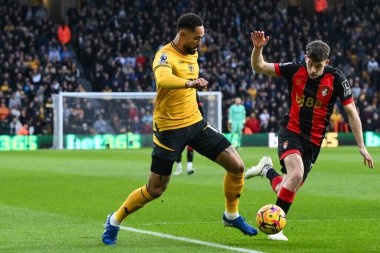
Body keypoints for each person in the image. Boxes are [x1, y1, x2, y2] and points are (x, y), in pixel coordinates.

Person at [102, 13, 257, 246]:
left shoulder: (192, 52)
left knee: (237, 166)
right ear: (182, 34)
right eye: (197, 38)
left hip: (195, 123)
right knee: (155, 189)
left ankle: (231, 215)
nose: (200, 43)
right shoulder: (164, 55)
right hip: (169, 129)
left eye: (202, 38)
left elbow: (189, 73)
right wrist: (189, 83)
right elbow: (163, 80)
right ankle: (114, 220)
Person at [245, 31, 374, 241]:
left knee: (287, 185)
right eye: (310, 64)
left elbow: (351, 112)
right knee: (295, 175)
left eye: (318, 66)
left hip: (314, 142)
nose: (313, 70)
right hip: (292, 130)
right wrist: (258, 48)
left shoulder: (337, 78)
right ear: (305, 58)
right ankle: (277, 229)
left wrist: (361, 145)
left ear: (326, 62)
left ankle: (266, 169)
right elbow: (259, 66)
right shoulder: (294, 69)